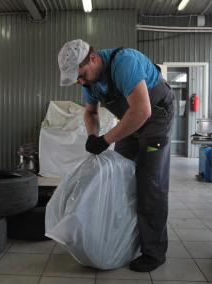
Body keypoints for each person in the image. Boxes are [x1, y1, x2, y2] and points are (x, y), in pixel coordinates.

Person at [57, 39, 175, 272]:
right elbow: (90, 112)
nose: (80, 81)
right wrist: (93, 136)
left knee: (150, 184)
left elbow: (142, 110)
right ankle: (124, 238)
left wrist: (105, 140)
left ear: (92, 58)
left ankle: (154, 251)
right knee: (120, 175)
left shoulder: (124, 63)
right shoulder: (89, 82)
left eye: (81, 75)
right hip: (131, 120)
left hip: (156, 117)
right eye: (77, 78)